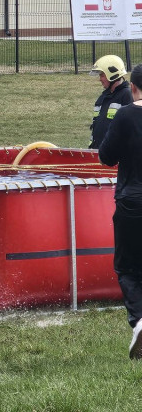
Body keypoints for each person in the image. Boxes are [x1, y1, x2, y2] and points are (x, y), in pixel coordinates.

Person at [98, 63, 142, 359]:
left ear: (134, 87)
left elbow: (106, 156)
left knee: (128, 268)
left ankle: (139, 320)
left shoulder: (126, 114)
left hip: (132, 201)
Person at [90, 54, 132, 149]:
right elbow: (96, 127)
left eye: (102, 75)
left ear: (112, 74)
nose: (100, 79)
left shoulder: (127, 96)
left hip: (116, 157)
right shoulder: (103, 97)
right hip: (99, 153)